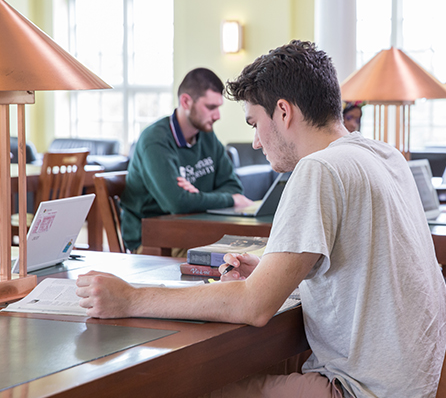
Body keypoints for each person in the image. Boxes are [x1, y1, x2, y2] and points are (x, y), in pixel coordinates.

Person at [77, 41, 446, 397]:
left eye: (255, 123)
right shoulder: (384, 155)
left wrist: (129, 299)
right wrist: (271, 270)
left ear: (283, 112)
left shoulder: (319, 169)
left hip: (358, 390)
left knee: (185, 388)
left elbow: (253, 307)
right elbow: (360, 270)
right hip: (418, 382)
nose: (254, 141)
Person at [120, 67, 252, 252]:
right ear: (186, 101)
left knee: (249, 256)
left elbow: (234, 187)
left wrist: (196, 196)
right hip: (154, 241)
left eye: (218, 107)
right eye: (210, 107)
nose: (217, 116)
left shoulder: (206, 135)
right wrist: (229, 200)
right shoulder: (155, 141)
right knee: (229, 262)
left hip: (197, 232)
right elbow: (177, 203)